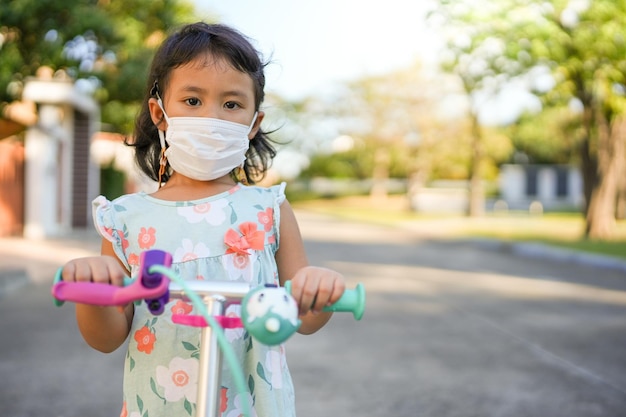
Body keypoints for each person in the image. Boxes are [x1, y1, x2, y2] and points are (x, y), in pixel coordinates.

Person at [60, 22, 346, 417]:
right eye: (192, 101)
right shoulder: (125, 218)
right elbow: (108, 337)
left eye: (231, 105)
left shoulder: (268, 209)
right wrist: (91, 289)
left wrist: (319, 290)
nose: (212, 118)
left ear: (253, 123)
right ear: (160, 113)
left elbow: (304, 315)